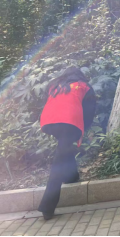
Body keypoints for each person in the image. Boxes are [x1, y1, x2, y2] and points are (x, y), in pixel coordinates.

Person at [39, 67, 96, 221]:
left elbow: (48, 103)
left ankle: (72, 176)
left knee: (64, 149)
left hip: (49, 122)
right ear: (80, 76)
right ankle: (47, 207)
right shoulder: (84, 86)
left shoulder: (55, 85)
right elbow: (89, 111)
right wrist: (84, 128)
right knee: (58, 163)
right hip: (69, 123)